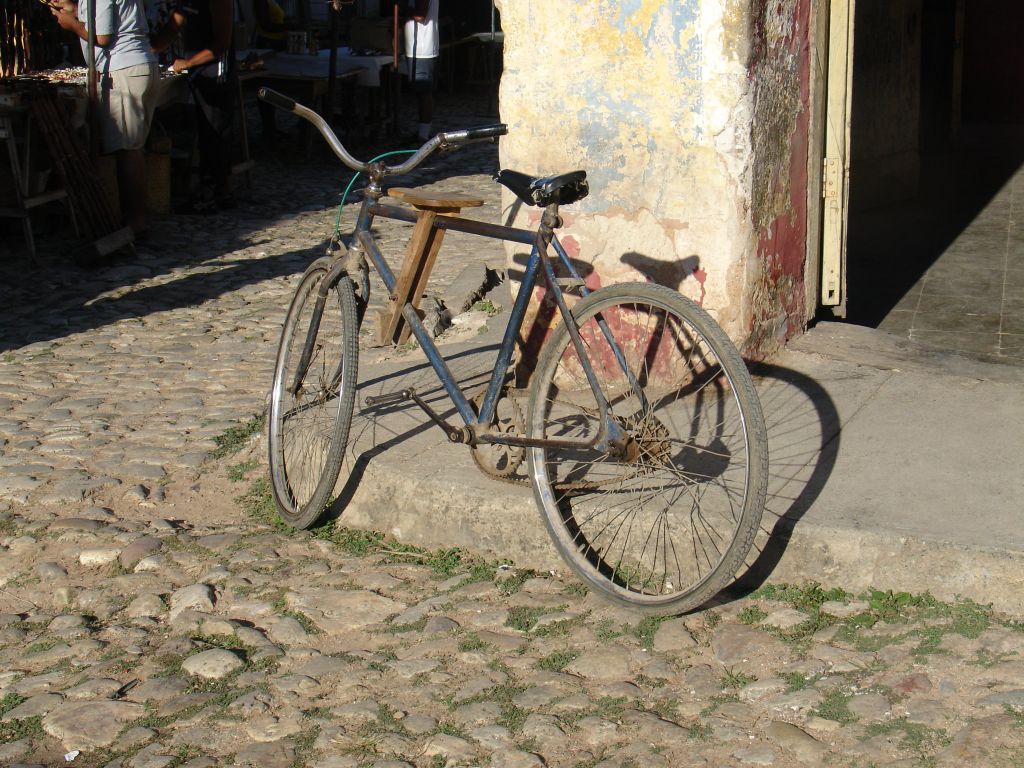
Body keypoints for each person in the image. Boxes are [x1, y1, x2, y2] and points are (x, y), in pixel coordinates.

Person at [51, 0, 160, 237]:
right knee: (131, 148)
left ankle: (135, 224)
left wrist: (72, 25)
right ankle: (133, 221)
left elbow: (101, 38)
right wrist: (75, 10)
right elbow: (107, 17)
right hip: (136, 65)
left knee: (128, 150)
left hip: (124, 68)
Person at [151, 0, 237, 212]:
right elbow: (174, 24)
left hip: (217, 74)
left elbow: (222, 42)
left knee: (216, 132)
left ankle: (219, 192)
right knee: (205, 130)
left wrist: (189, 63)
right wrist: (150, 48)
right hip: (198, 73)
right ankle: (213, 191)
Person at [404, 0, 438, 142]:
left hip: (421, 49)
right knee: (421, 92)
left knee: (423, 92)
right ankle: (422, 132)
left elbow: (420, 16)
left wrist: (401, 7)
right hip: (419, 47)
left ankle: (423, 135)